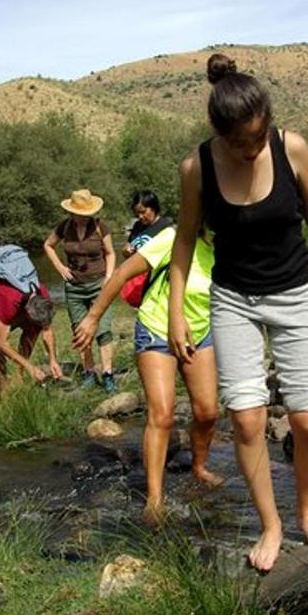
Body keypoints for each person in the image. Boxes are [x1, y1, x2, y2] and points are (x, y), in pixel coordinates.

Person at [168, 53, 308, 572]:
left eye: (260, 138)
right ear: (220, 133)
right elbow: (184, 243)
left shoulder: (292, 147)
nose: (254, 149)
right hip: (233, 299)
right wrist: (175, 312)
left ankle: (305, 511)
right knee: (249, 419)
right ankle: (271, 524)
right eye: (242, 143)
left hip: (295, 293)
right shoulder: (197, 168)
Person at [73, 223, 220, 526]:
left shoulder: (225, 248)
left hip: (200, 333)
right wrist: (92, 318)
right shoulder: (172, 238)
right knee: (162, 414)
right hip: (157, 330)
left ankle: (199, 468)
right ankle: (154, 497)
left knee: (207, 412)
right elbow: (121, 274)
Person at [43, 189, 118, 392]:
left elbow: (110, 253)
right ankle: (88, 373)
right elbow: (48, 245)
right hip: (74, 288)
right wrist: (60, 267)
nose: (84, 217)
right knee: (80, 330)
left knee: (103, 330)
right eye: (80, 213)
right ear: (72, 212)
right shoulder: (64, 227)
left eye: (87, 213)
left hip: (99, 285)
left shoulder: (100, 227)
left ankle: (108, 374)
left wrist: (109, 278)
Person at [0, 269, 62, 394]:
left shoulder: (43, 296)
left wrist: (53, 360)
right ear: (27, 312)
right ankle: (3, 387)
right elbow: (1, 342)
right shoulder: (10, 300)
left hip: (8, 298)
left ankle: (17, 378)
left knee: (33, 330)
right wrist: (30, 367)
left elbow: (47, 331)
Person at [123, 189, 172, 257]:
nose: (140, 216)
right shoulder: (137, 225)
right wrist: (125, 250)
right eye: (137, 213)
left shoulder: (166, 227)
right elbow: (128, 244)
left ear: (154, 208)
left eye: (143, 212)